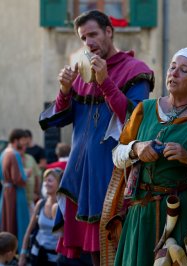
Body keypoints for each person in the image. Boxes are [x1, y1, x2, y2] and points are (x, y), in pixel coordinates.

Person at [38, 10, 154, 266]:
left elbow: (137, 122)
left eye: (93, 34)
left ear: (109, 32)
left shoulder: (135, 70)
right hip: (79, 181)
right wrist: (65, 91)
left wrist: (105, 82)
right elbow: (52, 121)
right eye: (83, 38)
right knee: (84, 258)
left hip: (111, 179)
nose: (88, 43)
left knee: (112, 253)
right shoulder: (81, 72)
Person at [107, 47, 187, 266]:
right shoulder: (145, 109)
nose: (173, 74)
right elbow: (117, 155)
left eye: (183, 71)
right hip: (141, 211)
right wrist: (137, 148)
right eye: (172, 67)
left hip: (180, 210)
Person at [18, 168, 63, 266]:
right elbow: (28, 231)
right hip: (36, 254)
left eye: (50, 180)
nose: (46, 183)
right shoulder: (40, 203)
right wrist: (22, 254)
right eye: (45, 180)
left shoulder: (63, 207)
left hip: (55, 258)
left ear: (59, 184)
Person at [0, 129, 30, 253]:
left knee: (7, 221)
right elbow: (18, 179)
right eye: (23, 140)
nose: (25, 144)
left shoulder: (3, 153)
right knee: (19, 222)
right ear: (15, 140)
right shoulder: (14, 154)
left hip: (6, 191)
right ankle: (19, 251)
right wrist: (26, 174)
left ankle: (6, 250)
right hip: (16, 192)